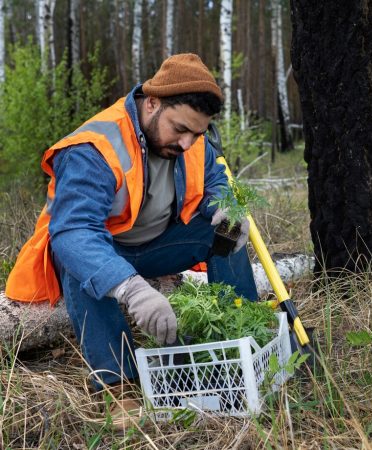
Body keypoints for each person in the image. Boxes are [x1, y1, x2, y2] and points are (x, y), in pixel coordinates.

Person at [5, 53, 257, 421]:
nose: (188, 143)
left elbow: (214, 180)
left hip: (155, 246)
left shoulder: (193, 138)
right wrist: (133, 290)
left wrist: (226, 209)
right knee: (77, 263)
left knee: (225, 234)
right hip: (103, 251)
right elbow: (74, 232)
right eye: (180, 130)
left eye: (196, 134)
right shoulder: (94, 147)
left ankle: (246, 341)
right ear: (152, 102)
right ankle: (117, 385)